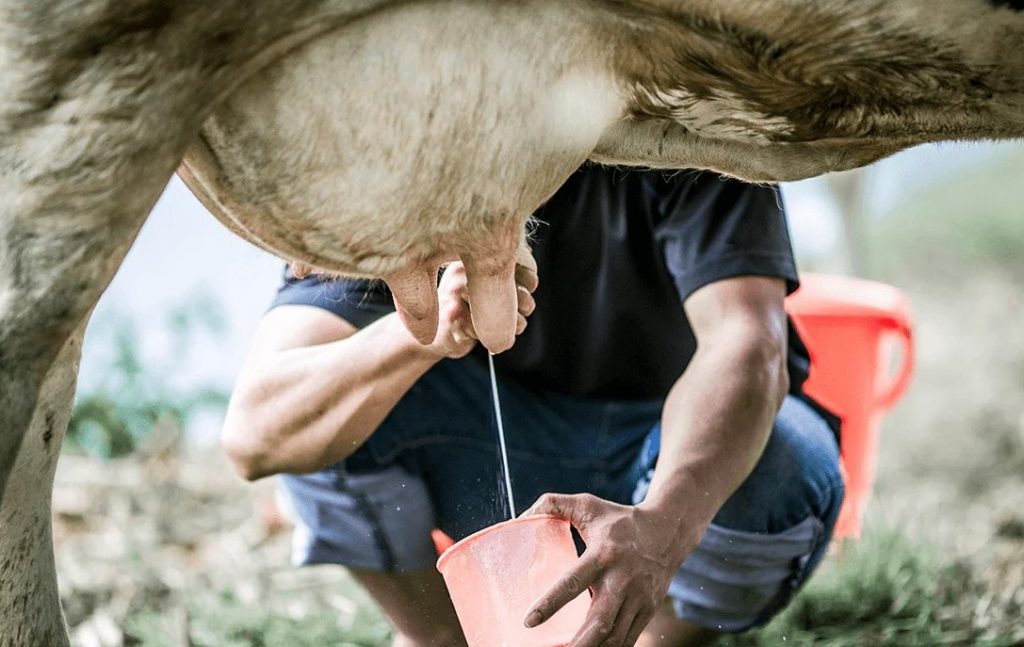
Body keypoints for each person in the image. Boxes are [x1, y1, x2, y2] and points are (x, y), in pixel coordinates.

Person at [221, 164, 844, 647]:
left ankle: (645, 637)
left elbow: (749, 343)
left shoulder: (690, 123)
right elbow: (257, 432)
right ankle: (445, 637)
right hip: (499, 462)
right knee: (321, 421)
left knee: (783, 465)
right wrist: (419, 334)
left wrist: (666, 524)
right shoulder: (393, 174)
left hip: (666, 458)